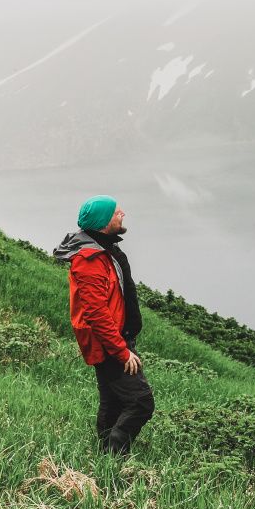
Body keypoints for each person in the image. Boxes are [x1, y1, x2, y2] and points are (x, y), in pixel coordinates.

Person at [52, 195, 153, 457]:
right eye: (115, 212)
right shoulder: (89, 260)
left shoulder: (104, 250)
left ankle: (106, 457)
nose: (122, 213)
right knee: (141, 402)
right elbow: (96, 313)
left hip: (116, 338)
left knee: (113, 402)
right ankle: (115, 453)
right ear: (101, 222)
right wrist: (121, 350)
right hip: (110, 343)